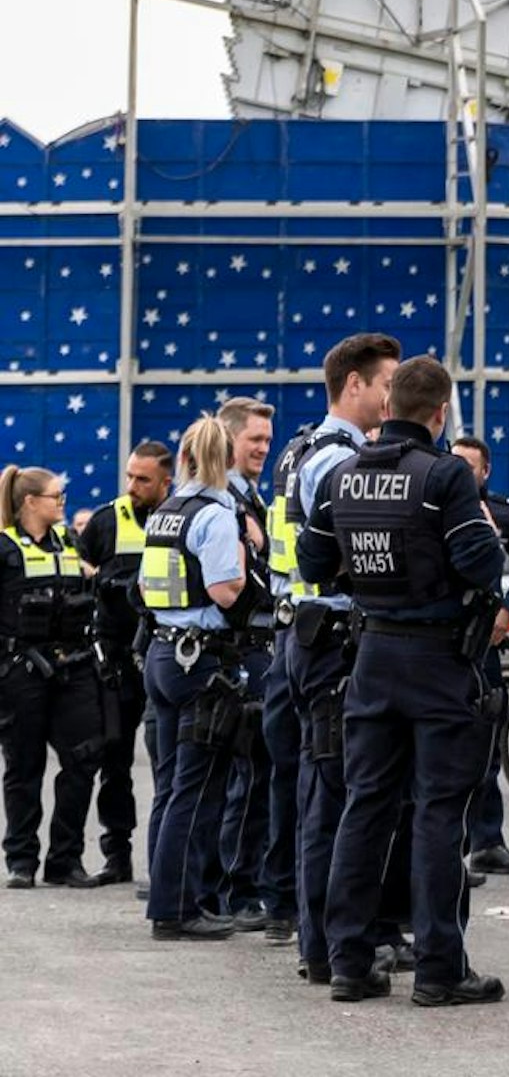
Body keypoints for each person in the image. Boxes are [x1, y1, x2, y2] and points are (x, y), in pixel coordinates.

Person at [300, 352, 508, 1008]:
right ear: (440, 413)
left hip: (370, 658)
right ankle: (441, 969)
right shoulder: (444, 476)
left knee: (365, 809)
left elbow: (313, 560)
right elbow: (481, 563)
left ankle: (350, 963)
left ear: (388, 407)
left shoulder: (340, 475)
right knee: (439, 816)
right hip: (438, 662)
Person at [276, 330, 403, 986]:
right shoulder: (341, 462)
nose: (392, 398)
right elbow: (345, 559)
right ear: (354, 384)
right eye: (386, 384)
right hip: (331, 638)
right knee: (334, 798)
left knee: (322, 792)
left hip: (306, 635)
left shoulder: (303, 450)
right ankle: (329, 944)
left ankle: (324, 936)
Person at [138, 414, 249, 939]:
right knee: (196, 789)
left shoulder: (166, 511)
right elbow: (227, 589)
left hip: (163, 652)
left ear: (182, 459)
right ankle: (177, 908)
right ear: (227, 460)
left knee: (170, 788)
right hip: (200, 659)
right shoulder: (216, 515)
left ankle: (168, 897)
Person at [0, 464, 105, 890]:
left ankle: (66, 860)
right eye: (55, 497)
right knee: (24, 766)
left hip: (72, 667)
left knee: (83, 760)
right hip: (22, 670)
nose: (62, 504)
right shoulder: (4, 549)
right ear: (30, 502)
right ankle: (21, 860)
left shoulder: (70, 541)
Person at [75, 439, 170, 884]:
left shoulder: (179, 516)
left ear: (166, 481)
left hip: (163, 654)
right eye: (130, 475)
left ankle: (168, 863)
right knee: (115, 761)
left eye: (143, 479)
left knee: (168, 763)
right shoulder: (106, 521)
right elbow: (81, 573)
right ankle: (117, 855)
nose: (132, 485)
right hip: (114, 659)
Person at [451, 433, 509, 878]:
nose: (462, 472)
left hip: (484, 643)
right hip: (443, 643)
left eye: (470, 467)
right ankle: (452, 849)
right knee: (448, 747)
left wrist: (508, 609)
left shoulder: (503, 512)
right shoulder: (435, 506)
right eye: (455, 464)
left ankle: (488, 841)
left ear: (485, 472)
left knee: (486, 742)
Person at [216, 396, 277, 929]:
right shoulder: (227, 506)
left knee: (251, 774)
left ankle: (235, 885)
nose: (263, 447)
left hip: (257, 650)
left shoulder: (253, 500)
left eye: (265, 439)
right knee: (248, 773)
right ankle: (236, 891)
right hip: (238, 652)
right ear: (228, 438)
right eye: (253, 439)